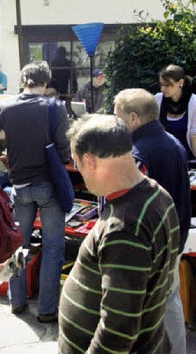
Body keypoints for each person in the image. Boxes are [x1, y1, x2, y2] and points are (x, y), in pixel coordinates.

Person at [59, 114, 179, 353]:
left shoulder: (125, 227)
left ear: (89, 161)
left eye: (77, 163)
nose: (79, 170)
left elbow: (118, 330)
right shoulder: (156, 194)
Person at [0, 61, 70, 323]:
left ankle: (17, 301)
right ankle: (46, 309)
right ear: (46, 82)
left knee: (17, 246)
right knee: (54, 247)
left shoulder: (6, 105)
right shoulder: (54, 107)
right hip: (49, 184)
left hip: (20, 184)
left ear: (23, 81)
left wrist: (9, 144)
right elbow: (64, 147)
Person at [114, 88, 190, 354]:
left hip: (151, 244)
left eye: (118, 117)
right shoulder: (172, 142)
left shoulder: (139, 153)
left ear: (134, 118)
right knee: (169, 302)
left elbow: (133, 207)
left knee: (151, 306)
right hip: (173, 237)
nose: (116, 124)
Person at [155, 64, 196, 161]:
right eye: (161, 84)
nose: (162, 89)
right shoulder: (157, 99)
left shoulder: (193, 103)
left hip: (189, 161)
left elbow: (194, 137)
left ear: (180, 83)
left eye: (167, 85)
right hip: (164, 160)